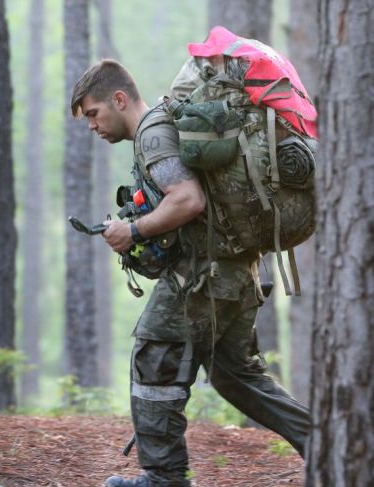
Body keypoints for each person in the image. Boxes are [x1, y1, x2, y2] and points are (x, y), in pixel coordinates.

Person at [70, 59, 310, 487]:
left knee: (155, 358)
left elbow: (187, 200)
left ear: (119, 99)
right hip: (236, 273)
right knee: (235, 375)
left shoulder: (152, 135)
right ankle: (330, 447)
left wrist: (134, 230)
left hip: (203, 276)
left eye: (93, 113)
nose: (92, 125)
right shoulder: (163, 127)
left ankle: (163, 478)